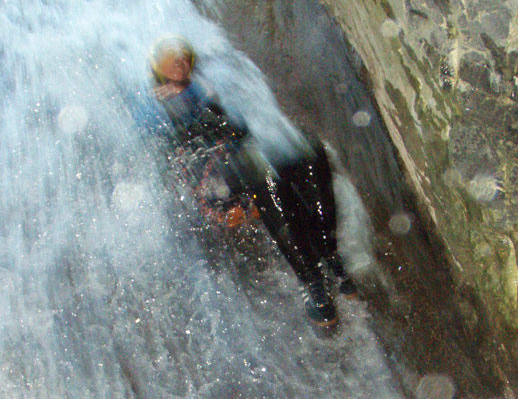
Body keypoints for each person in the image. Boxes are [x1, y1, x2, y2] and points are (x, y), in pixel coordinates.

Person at [138, 35, 358, 327]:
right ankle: (313, 283)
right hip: (213, 178)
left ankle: (329, 255)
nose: (178, 64)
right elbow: (168, 144)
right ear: (157, 68)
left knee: (308, 149)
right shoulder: (155, 102)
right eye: (169, 60)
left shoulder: (205, 87)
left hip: (239, 158)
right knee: (261, 168)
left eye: (183, 57)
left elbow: (241, 127)